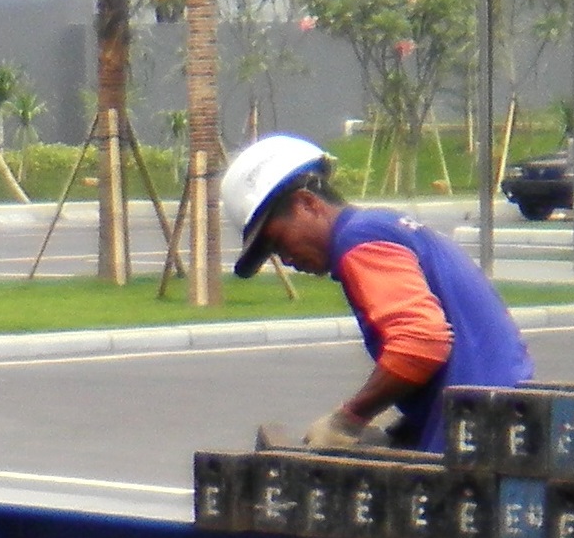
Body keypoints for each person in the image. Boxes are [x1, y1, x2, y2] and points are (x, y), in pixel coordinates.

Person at [221, 135, 530, 450]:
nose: (285, 259)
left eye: (278, 241)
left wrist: (348, 418)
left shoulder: (359, 239)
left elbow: (421, 342)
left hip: (479, 437)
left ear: (307, 204)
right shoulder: (385, 226)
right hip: (501, 420)